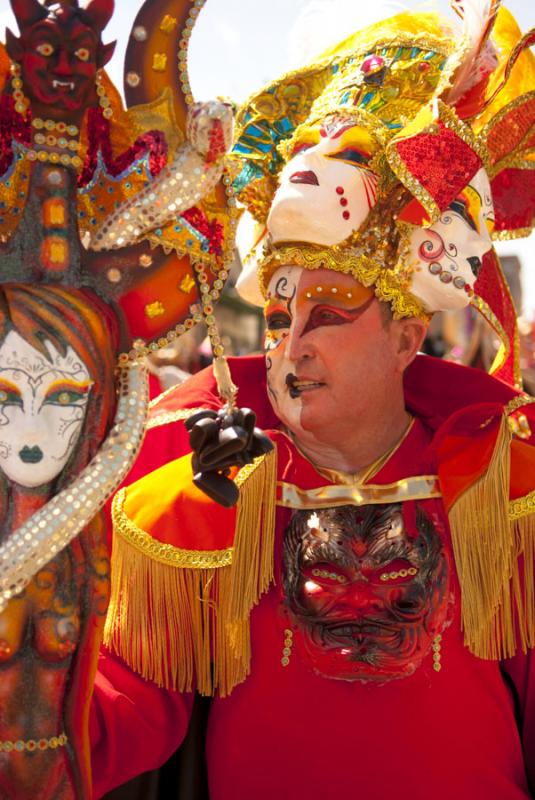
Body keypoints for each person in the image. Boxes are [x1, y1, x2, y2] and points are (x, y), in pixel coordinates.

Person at [91, 4, 535, 799]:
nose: (291, 344)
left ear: (405, 337)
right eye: (278, 315)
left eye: (328, 313)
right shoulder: (198, 482)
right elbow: (109, 721)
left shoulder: (506, 486)